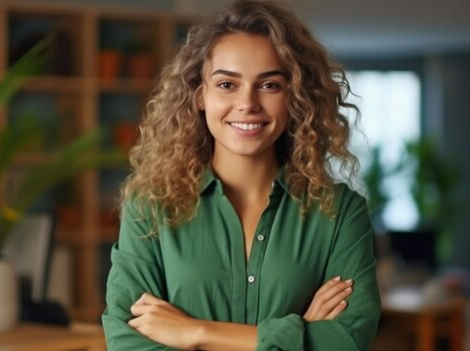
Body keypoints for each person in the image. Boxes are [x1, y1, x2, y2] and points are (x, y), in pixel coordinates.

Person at [101, 0, 381, 350]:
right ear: (199, 94)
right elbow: (128, 342)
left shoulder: (340, 212)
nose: (247, 103)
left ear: (295, 96)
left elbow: (349, 339)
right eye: (227, 85)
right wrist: (298, 336)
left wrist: (196, 333)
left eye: (269, 85)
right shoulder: (151, 206)